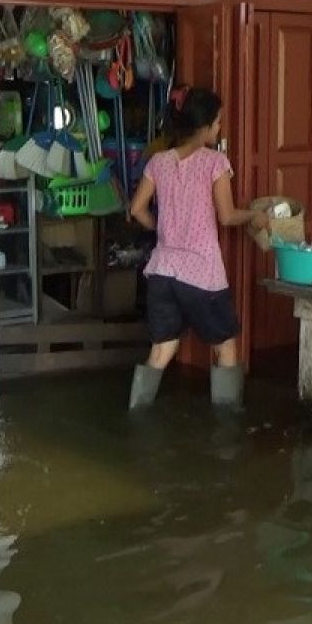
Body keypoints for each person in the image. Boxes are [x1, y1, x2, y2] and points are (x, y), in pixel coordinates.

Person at [126, 86, 268, 409]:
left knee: (162, 349)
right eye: (217, 123)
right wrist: (256, 216)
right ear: (203, 127)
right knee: (226, 345)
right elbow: (228, 216)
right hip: (202, 273)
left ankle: (137, 413)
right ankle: (229, 424)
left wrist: (161, 229)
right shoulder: (214, 162)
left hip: (162, 271)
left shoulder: (158, 162)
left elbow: (136, 209)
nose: (219, 129)